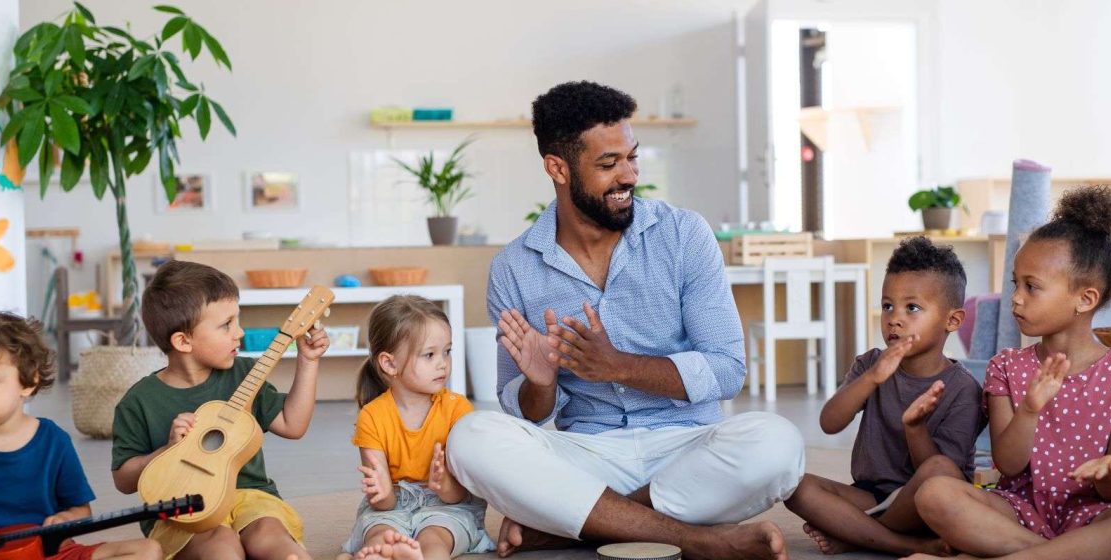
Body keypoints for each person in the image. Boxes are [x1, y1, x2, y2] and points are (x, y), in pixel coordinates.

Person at [446, 81, 804, 560]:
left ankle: (579, 525)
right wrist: (542, 383)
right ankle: (695, 537)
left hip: (687, 448)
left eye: (633, 157)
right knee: (471, 438)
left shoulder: (683, 235)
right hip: (589, 455)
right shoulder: (514, 267)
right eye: (609, 164)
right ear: (557, 168)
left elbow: (727, 370)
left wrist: (618, 366)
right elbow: (526, 414)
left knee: (777, 443)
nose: (629, 175)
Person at [906, 186, 1111, 560]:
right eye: (1015, 283)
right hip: (1019, 512)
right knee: (935, 494)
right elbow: (1008, 463)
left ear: (1085, 299)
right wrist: (1030, 410)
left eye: (1031, 287)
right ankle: (1063, 555)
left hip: (1098, 514)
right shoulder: (1006, 366)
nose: (1016, 297)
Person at [110, 260, 328, 560]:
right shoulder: (139, 401)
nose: (239, 332)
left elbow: (293, 425)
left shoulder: (245, 374)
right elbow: (123, 480)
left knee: (271, 536)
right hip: (183, 508)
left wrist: (309, 361)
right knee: (221, 547)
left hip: (251, 495)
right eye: (226, 325)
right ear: (183, 341)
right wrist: (168, 449)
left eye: (237, 320)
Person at [783, 237, 985, 556]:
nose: (895, 318)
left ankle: (857, 532)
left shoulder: (964, 389)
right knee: (793, 485)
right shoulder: (871, 364)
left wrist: (915, 427)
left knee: (937, 473)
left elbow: (943, 479)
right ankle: (900, 544)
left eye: (912, 307)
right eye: (887, 305)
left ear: (953, 320)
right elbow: (829, 423)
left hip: (925, 504)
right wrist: (872, 378)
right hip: (871, 496)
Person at [0, 311, 161, 560]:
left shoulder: (53, 441)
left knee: (149, 550)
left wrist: (65, 519)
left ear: (28, 381)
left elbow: (81, 510)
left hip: (50, 553)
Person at [340, 295, 492, 560]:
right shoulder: (372, 416)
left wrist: (444, 484)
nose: (442, 363)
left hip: (448, 507)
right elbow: (383, 504)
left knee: (434, 540)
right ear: (390, 364)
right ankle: (380, 553)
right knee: (379, 534)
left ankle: (417, 555)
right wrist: (383, 492)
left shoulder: (458, 410)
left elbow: (459, 496)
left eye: (447, 351)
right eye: (429, 355)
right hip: (392, 508)